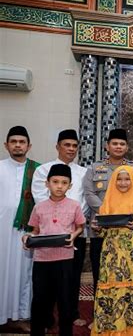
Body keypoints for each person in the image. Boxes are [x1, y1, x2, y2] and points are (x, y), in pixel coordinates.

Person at [31, 128, 89, 327]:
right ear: (57, 146)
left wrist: (73, 224)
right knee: (45, 284)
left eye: (74, 145)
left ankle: (71, 314)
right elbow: (40, 200)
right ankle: (46, 318)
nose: (71, 149)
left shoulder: (83, 172)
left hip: (75, 234)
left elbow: (85, 203)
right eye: (67, 145)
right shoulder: (43, 170)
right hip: (48, 236)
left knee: (71, 279)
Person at [22, 164, 85, 336]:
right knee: (40, 300)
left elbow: (80, 226)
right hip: (42, 260)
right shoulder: (39, 207)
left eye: (64, 183)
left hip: (65, 259)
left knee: (65, 300)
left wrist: (74, 235)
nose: (59, 186)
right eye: (55, 182)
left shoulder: (74, 206)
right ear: (47, 184)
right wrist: (27, 238)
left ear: (70, 186)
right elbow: (34, 231)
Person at [83, 128, 133, 294]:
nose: (118, 146)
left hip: (127, 229)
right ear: (107, 146)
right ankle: (101, 315)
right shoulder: (95, 168)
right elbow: (89, 193)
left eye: (122, 144)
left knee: (127, 273)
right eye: (115, 143)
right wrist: (107, 211)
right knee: (100, 272)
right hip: (101, 228)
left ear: (127, 147)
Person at [90, 165, 133, 336]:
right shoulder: (108, 200)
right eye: (119, 179)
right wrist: (96, 227)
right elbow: (101, 230)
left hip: (132, 253)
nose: (123, 183)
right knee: (110, 291)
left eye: (127, 178)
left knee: (131, 291)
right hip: (111, 254)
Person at [0, 126, 39, 332]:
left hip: (26, 231)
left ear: (28, 146)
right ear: (6, 145)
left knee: (25, 273)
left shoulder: (37, 170)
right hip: (1, 232)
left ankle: (21, 316)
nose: (17, 145)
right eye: (13, 141)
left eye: (21, 141)